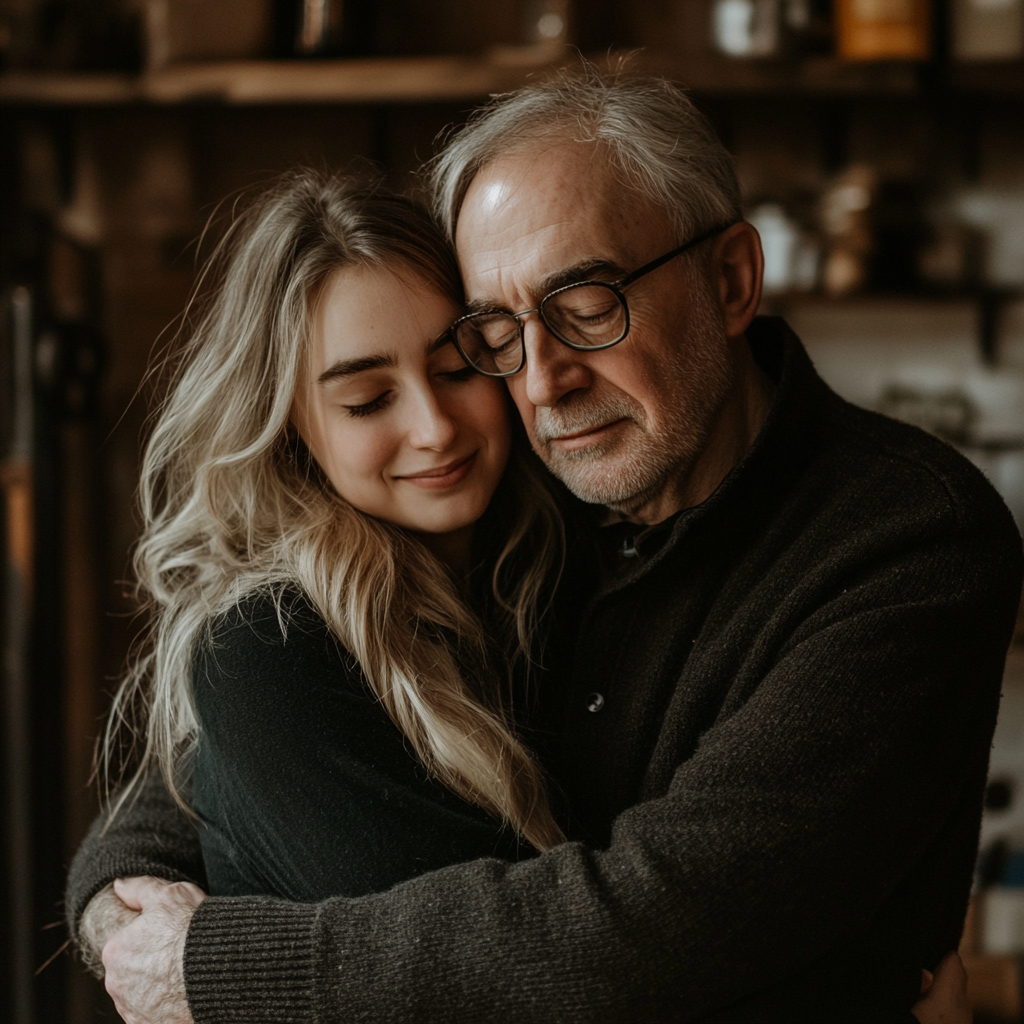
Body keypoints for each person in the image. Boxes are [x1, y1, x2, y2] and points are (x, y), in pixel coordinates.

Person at [69, 68, 1021, 1023]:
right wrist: (120, 908)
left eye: (587, 304)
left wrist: (229, 968)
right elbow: (202, 753)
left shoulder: (908, 537)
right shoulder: (549, 498)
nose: (544, 380)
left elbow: (653, 923)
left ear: (730, 280)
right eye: (500, 330)